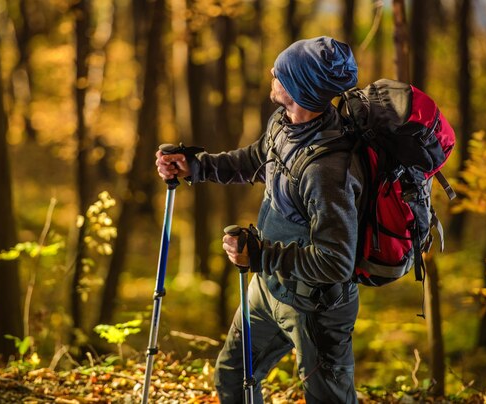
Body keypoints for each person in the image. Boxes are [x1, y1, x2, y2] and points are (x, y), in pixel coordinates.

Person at [155, 36, 364, 404]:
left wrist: (260, 255)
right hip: (268, 289)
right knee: (233, 378)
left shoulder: (327, 170)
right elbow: (258, 159)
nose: (272, 72)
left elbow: (336, 261)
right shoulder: (284, 124)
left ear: (300, 87)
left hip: (315, 308)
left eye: (281, 72)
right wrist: (198, 166)